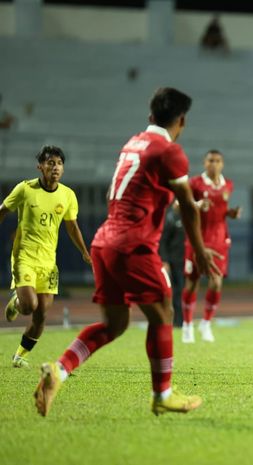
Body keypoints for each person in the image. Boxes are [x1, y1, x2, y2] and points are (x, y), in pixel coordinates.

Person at [33, 87, 221, 417]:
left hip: (105, 241)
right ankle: (162, 394)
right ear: (182, 121)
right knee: (163, 312)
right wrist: (201, 249)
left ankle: (58, 371)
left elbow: (121, 190)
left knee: (114, 324)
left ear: (150, 116)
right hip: (132, 245)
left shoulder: (132, 144)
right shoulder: (169, 151)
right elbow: (190, 210)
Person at [0, 145, 91, 368]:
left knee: (41, 315)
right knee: (30, 305)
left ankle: (20, 355)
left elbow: (72, 227)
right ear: (40, 166)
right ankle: (19, 301)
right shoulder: (25, 189)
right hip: (24, 257)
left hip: (49, 262)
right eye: (50, 163)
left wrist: (84, 252)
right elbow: (3, 210)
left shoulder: (67, 195)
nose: (55, 168)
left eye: (59, 164)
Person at [181, 149, 241, 343]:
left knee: (216, 282)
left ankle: (206, 323)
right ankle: (187, 325)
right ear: (204, 163)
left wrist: (231, 213)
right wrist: (197, 205)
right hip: (196, 238)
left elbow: (221, 211)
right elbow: (178, 205)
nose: (213, 164)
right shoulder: (194, 183)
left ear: (222, 164)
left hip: (219, 239)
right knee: (192, 282)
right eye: (210, 160)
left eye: (217, 161)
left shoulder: (228, 185)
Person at [159, 202, 185, 327]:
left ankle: (183, 320)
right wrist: (165, 260)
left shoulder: (186, 217)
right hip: (173, 261)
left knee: (183, 291)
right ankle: (177, 321)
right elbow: (163, 241)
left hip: (185, 260)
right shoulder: (170, 218)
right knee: (175, 291)